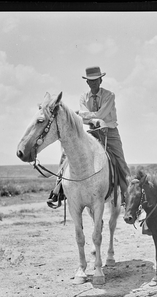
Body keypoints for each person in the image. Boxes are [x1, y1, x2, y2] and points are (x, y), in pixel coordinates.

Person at [47, 66, 130, 208]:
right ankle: (58, 190)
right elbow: (83, 119)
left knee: (120, 161)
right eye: (90, 81)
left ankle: (127, 195)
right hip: (91, 131)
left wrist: (83, 114)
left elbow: (99, 115)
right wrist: (86, 117)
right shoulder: (83, 97)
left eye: (96, 80)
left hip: (109, 132)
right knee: (67, 153)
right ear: (87, 82)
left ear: (101, 80)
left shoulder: (109, 96)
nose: (93, 83)